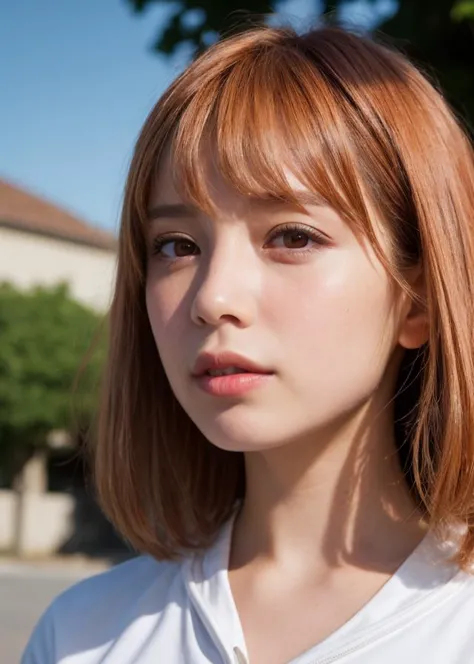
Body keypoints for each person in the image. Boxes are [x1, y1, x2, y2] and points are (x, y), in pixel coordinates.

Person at [22, 23, 474, 664]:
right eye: (176, 247)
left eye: (292, 236)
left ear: (419, 299)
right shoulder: (83, 635)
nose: (212, 298)